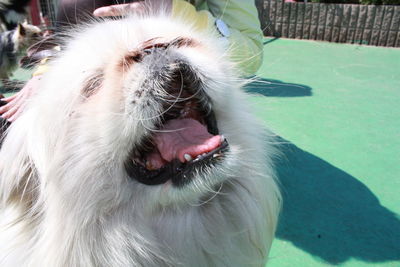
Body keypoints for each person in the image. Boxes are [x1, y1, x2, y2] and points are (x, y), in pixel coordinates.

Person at [0, 0, 263, 122]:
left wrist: (174, 12)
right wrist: (47, 73)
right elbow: (71, 21)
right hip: (102, 91)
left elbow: (250, 53)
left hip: (188, 89)